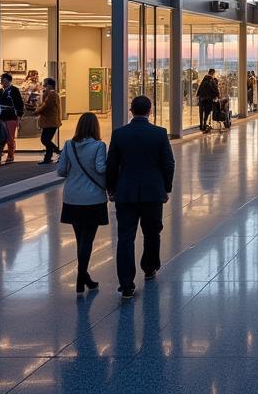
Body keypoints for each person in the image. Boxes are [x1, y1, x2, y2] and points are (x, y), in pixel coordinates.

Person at [105, 95, 175, 299]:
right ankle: (149, 266)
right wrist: (166, 188)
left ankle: (126, 284)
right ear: (150, 111)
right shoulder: (159, 134)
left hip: (126, 192)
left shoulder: (119, 134)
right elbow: (169, 164)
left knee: (125, 237)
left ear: (131, 111)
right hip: (153, 192)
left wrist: (111, 188)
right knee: (152, 232)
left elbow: (111, 164)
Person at [57, 111, 108, 293]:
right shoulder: (99, 146)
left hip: (72, 197)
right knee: (88, 239)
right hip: (93, 198)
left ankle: (84, 277)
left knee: (80, 238)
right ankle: (81, 277)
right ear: (95, 127)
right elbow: (101, 169)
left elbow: (61, 171)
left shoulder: (68, 145)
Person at [0, 72, 24, 165]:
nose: (1, 82)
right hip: (0, 117)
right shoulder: (0, 91)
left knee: (10, 137)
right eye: (1, 80)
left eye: (3, 80)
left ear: (9, 81)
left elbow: (19, 104)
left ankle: (10, 154)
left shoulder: (14, 90)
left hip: (11, 116)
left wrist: (19, 117)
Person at [36, 77, 62, 163]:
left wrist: (36, 111)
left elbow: (46, 106)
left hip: (50, 121)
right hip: (50, 121)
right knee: (46, 139)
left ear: (49, 85)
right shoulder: (50, 93)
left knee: (45, 139)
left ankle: (60, 153)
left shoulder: (51, 94)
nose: (43, 85)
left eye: (45, 83)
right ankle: (48, 157)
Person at [196, 68, 220, 133]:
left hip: (202, 98)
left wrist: (198, 95)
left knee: (201, 112)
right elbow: (215, 89)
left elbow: (200, 87)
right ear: (212, 73)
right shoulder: (211, 79)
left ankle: (201, 125)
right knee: (207, 112)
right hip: (208, 99)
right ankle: (204, 123)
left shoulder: (204, 79)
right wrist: (217, 95)